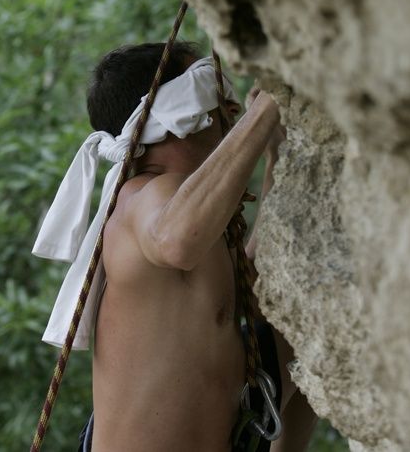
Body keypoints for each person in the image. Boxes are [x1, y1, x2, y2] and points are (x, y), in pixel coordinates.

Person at [73, 41, 317, 452]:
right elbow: (175, 241)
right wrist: (267, 106)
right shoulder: (142, 196)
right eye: (216, 98)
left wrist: (278, 160)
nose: (231, 111)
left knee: (303, 322)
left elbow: (260, 297)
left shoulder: (188, 216)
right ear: (179, 117)